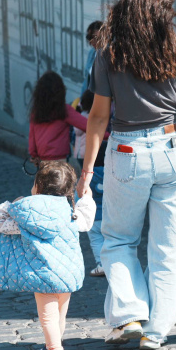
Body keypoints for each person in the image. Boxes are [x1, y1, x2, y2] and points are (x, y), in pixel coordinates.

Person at [78, 0, 176, 350]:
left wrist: (87, 171)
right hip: (174, 150)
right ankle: (156, 331)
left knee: (119, 239)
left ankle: (130, 316)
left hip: (127, 149)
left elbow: (98, 116)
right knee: (168, 247)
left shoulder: (109, 54)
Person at [0, 161, 96, 350]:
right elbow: (87, 220)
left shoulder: (26, 216)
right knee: (60, 315)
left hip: (41, 273)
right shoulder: (71, 213)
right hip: (67, 273)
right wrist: (86, 196)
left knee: (47, 317)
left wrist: (12, 205)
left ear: (37, 186)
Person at [75, 89, 107, 278]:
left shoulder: (89, 176)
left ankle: (100, 263)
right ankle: (111, 263)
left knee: (96, 240)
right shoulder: (111, 175)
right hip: (109, 216)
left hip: (93, 218)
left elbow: (80, 194)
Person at [28, 71, 89, 163]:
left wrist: (33, 155)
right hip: (60, 161)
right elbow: (88, 126)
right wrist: (109, 135)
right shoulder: (64, 110)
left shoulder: (36, 111)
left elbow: (32, 137)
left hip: (42, 161)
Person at [81, 20, 103, 97]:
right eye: (90, 37)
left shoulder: (109, 56)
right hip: (88, 101)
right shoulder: (91, 53)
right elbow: (86, 80)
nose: (93, 41)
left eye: (96, 38)